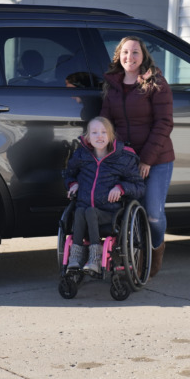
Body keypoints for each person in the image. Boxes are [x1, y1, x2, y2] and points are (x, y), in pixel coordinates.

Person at [100, 36, 174, 278]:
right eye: (125, 53)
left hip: (157, 159)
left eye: (135, 53)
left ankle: (157, 248)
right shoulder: (112, 86)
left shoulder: (156, 83)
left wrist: (147, 160)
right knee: (124, 210)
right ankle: (137, 255)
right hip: (126, 159)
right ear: (118, 56)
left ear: (143, 57)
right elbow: (106, 124)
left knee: (153, 213)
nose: (129, 57)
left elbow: (164, 123)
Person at [64, 116, 145, 275]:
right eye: (94, 132)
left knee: (89, 211)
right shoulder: (81, 156)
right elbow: (69, 174)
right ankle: (75, 257)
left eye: (103, 132)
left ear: (110, 136)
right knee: (81, 210)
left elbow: (139, 186)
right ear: (87, 137)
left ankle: (95, 257)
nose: (99, 136)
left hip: (110, 213)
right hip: (84, 212)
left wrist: (121, 188)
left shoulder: (122, 159)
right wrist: (73, 184)